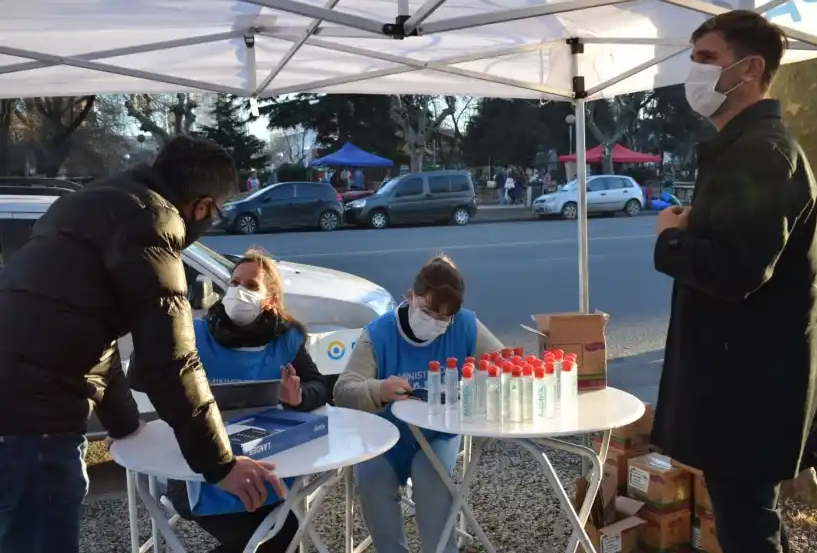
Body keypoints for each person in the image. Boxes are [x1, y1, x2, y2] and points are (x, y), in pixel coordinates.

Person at [0, 136, 282, 552]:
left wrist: (125, 424)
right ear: (201, 206)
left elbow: (92, 332)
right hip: (35, 419)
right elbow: (172, 361)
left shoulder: (90, 201)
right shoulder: (154, 219)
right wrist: (220, 464)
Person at [652, 11, 817, 553]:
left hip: (748, 388)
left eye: (706, 59)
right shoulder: (744, 147)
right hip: (742, 381)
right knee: (751, 518)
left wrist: (671, 238)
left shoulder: (761, 151)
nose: (693, 73)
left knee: (748, 525)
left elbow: (736, 270)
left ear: (749, 68)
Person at [334, 256, 503, 553]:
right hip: (386, 436)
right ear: (411, 296)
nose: (435, 323)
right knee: (372, 481)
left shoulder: (465, 325)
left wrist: (481, 378)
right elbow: (344, 390)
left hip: (438, 433)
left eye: (444, 318)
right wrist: (379, 390)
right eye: (427, 311)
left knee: (432, 479)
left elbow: (504, 364)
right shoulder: (377, 333)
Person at [166, 249, 328, 553]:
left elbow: (319, 385)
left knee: (282, 533)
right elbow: (146, 377)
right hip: (201, 469)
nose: (239, 291)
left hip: (267, 464)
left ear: (270, 298)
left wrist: (299, 395)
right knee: (277, 538)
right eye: (234, 282)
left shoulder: (286, 338)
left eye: (251, 286)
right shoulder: (194, 333)